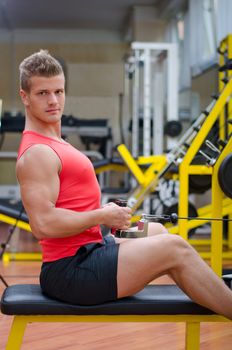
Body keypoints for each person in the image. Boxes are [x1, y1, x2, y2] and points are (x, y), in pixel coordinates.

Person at [16, 49, 232, 319]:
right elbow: (43, 224)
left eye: (58, 92)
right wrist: (103, 214)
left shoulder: (56, 141)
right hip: (71, 271)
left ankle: (212, 291)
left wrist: (106, 216)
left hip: (94, 246)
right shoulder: (37, 153)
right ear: (25, 97)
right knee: (175, 247)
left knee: (155, 230)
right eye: (43, 93)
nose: (53, 100)